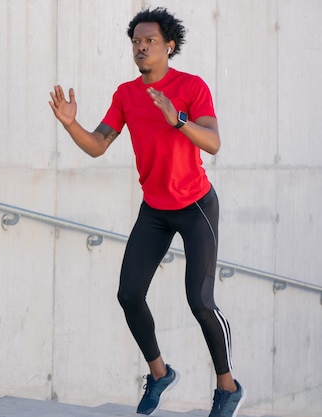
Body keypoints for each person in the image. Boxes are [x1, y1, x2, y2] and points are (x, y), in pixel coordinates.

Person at [49, 7, 246, 417]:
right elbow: (98, 145)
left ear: (169, 46)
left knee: (200, 301)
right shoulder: (126, 94)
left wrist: (177, 120)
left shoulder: (191, 87)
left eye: (149, 41)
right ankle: (159, 374)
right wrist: (71, 125)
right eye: (136, 41)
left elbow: (212, 142)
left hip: (195, 206)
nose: (141, 47)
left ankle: (227, 387)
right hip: (155, 210)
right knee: (129, 294)